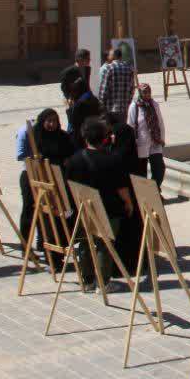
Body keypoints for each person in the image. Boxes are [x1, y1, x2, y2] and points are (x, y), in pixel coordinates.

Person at [64, 118, 133, 289]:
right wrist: (128, 203)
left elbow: (69, 186)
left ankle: (87, 280)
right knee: (105, 244)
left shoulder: (74, 160)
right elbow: (121, 187)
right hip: (109, 208)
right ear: (104, 137)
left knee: (86, 242)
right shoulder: (113, 159)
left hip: (84, 207)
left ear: (85, 137)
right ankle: (103, 282)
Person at [15, 108, 75, 253]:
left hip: (55, 178)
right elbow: (24, 156)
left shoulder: (62, 137)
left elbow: (69, 156)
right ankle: (25, 246)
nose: (52, 124)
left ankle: (45, 243)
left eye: (54, 121)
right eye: (48, 121)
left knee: (51, 212)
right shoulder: (33, 136)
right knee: (30, 211)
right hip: (32, 176)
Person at [127, 84, 167, 187]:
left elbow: (160, 122)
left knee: (159, 169)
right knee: (141, 172)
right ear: (140, 93)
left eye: (149, 92)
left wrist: (162, 139)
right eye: (145, 92)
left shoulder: (154, 104)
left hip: (155, 141)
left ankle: (155, 189)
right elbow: (130, 125)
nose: (147, 94)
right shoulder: (134, 106)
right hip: (141, 143)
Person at [97, 47, 135, 122]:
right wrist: (128, 102)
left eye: (110, 54)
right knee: (121, 131)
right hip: (124, 109)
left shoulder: (108, 68)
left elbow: (103, 91)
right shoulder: (129, 68)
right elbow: (132, 90)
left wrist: (101, 105)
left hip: (110, 109)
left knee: (111, 131)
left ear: (113, 56)